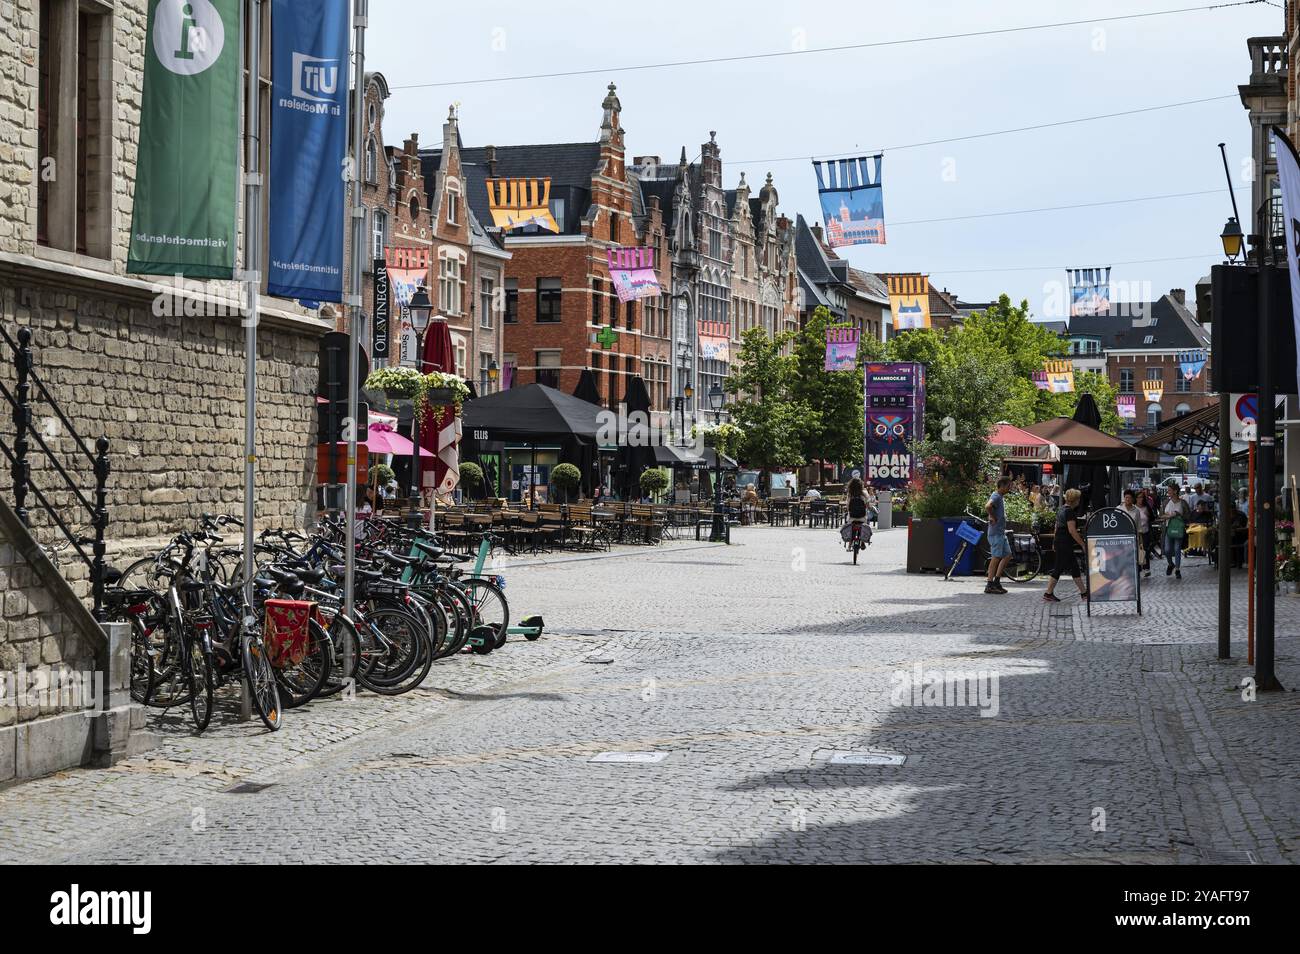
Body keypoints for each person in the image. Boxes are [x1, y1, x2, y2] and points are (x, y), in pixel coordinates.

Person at [1044, 488, 1088, 602]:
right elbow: (1072, 530)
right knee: (1061, 568)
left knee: (1072, 567)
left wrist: (1054, 542)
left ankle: (1084, 593)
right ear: (1075, 500)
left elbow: (1056, 527)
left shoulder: (1061, 509)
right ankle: (1048, 593)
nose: (1079, 501)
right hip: (1065, 543)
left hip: (1060, 541)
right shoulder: (1069, 512)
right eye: (1078, 499)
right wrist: (1082, 544)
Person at [983, 476, 1012, 594]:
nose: (1010, 488)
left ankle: (997, 582)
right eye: (1009, 486)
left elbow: (992, 508)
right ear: (1003, 486)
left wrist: (993, 515)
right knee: (995, 558)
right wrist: (993, 517)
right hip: (996, 533)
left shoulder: (999, 497)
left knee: (1007, 555)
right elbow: (988, 506)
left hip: (1000, 532)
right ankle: (989, 584)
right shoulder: (996, 496)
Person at [1163, 484, 1192, 579]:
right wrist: (1166, 516)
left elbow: (1188, 515)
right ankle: (1171, 564)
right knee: (1167, 550)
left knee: (1177, 549)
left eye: (1170, 490)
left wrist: (1178, 515)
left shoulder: (1182, 503)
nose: (1168, 492)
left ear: (1175, 491)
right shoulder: (1166, 502)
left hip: (1179, 528)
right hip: (1168, 528)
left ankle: (1177, 569)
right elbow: (1161, 514)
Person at [1118, 489, 1146, 573]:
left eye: (1129, 498)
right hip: (1121, 538)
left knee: (1132, 558)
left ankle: (1132, 574)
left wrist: (1141, 541)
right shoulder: (1119, 509)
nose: (1127, 499)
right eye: (1126, 497)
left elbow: (1139, 526)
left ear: (1133, 499)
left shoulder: (1136, 511)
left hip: (1133, 538)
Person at [1134, 488, 1156, 578]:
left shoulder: (1146, 507)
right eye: (1139, 497)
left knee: (1145, 550)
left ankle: (1146, 568)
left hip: (1145, 531)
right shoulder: (1133, 508)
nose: (1140, 499)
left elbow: (1153, 518)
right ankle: (1139, 568)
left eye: (1142, 497)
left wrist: (1148, 515)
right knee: (1137, 551)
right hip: (1136, 533)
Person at [845, 477, 870, 553]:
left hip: (852, 517)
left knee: (850, 527)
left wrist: (848, 510)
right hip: (862, 517)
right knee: (864, 525)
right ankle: (862, 542)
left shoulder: (850, 494)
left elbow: (848, 505)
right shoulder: (864, 493)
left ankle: (849, 546)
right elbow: (867, 504)